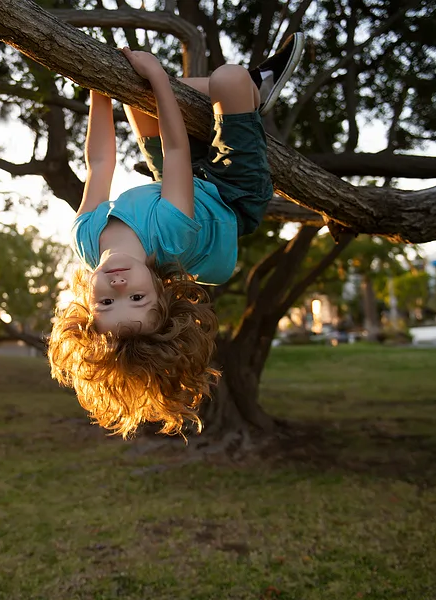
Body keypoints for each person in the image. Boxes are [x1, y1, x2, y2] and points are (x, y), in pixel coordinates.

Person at [48, 34, 307, 439]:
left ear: (86, 307)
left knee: (134, 93)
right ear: (160, 290)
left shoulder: (86, 238)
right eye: (136, 298)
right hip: (230, 191)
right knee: (230, 80)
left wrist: (98, 87)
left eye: (106, 302)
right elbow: (176, 151)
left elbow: (99, 162)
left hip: (171, 184)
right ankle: (256, 88)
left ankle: (202, 94)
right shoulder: (171, 238)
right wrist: (158, 76)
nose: (118, 285)